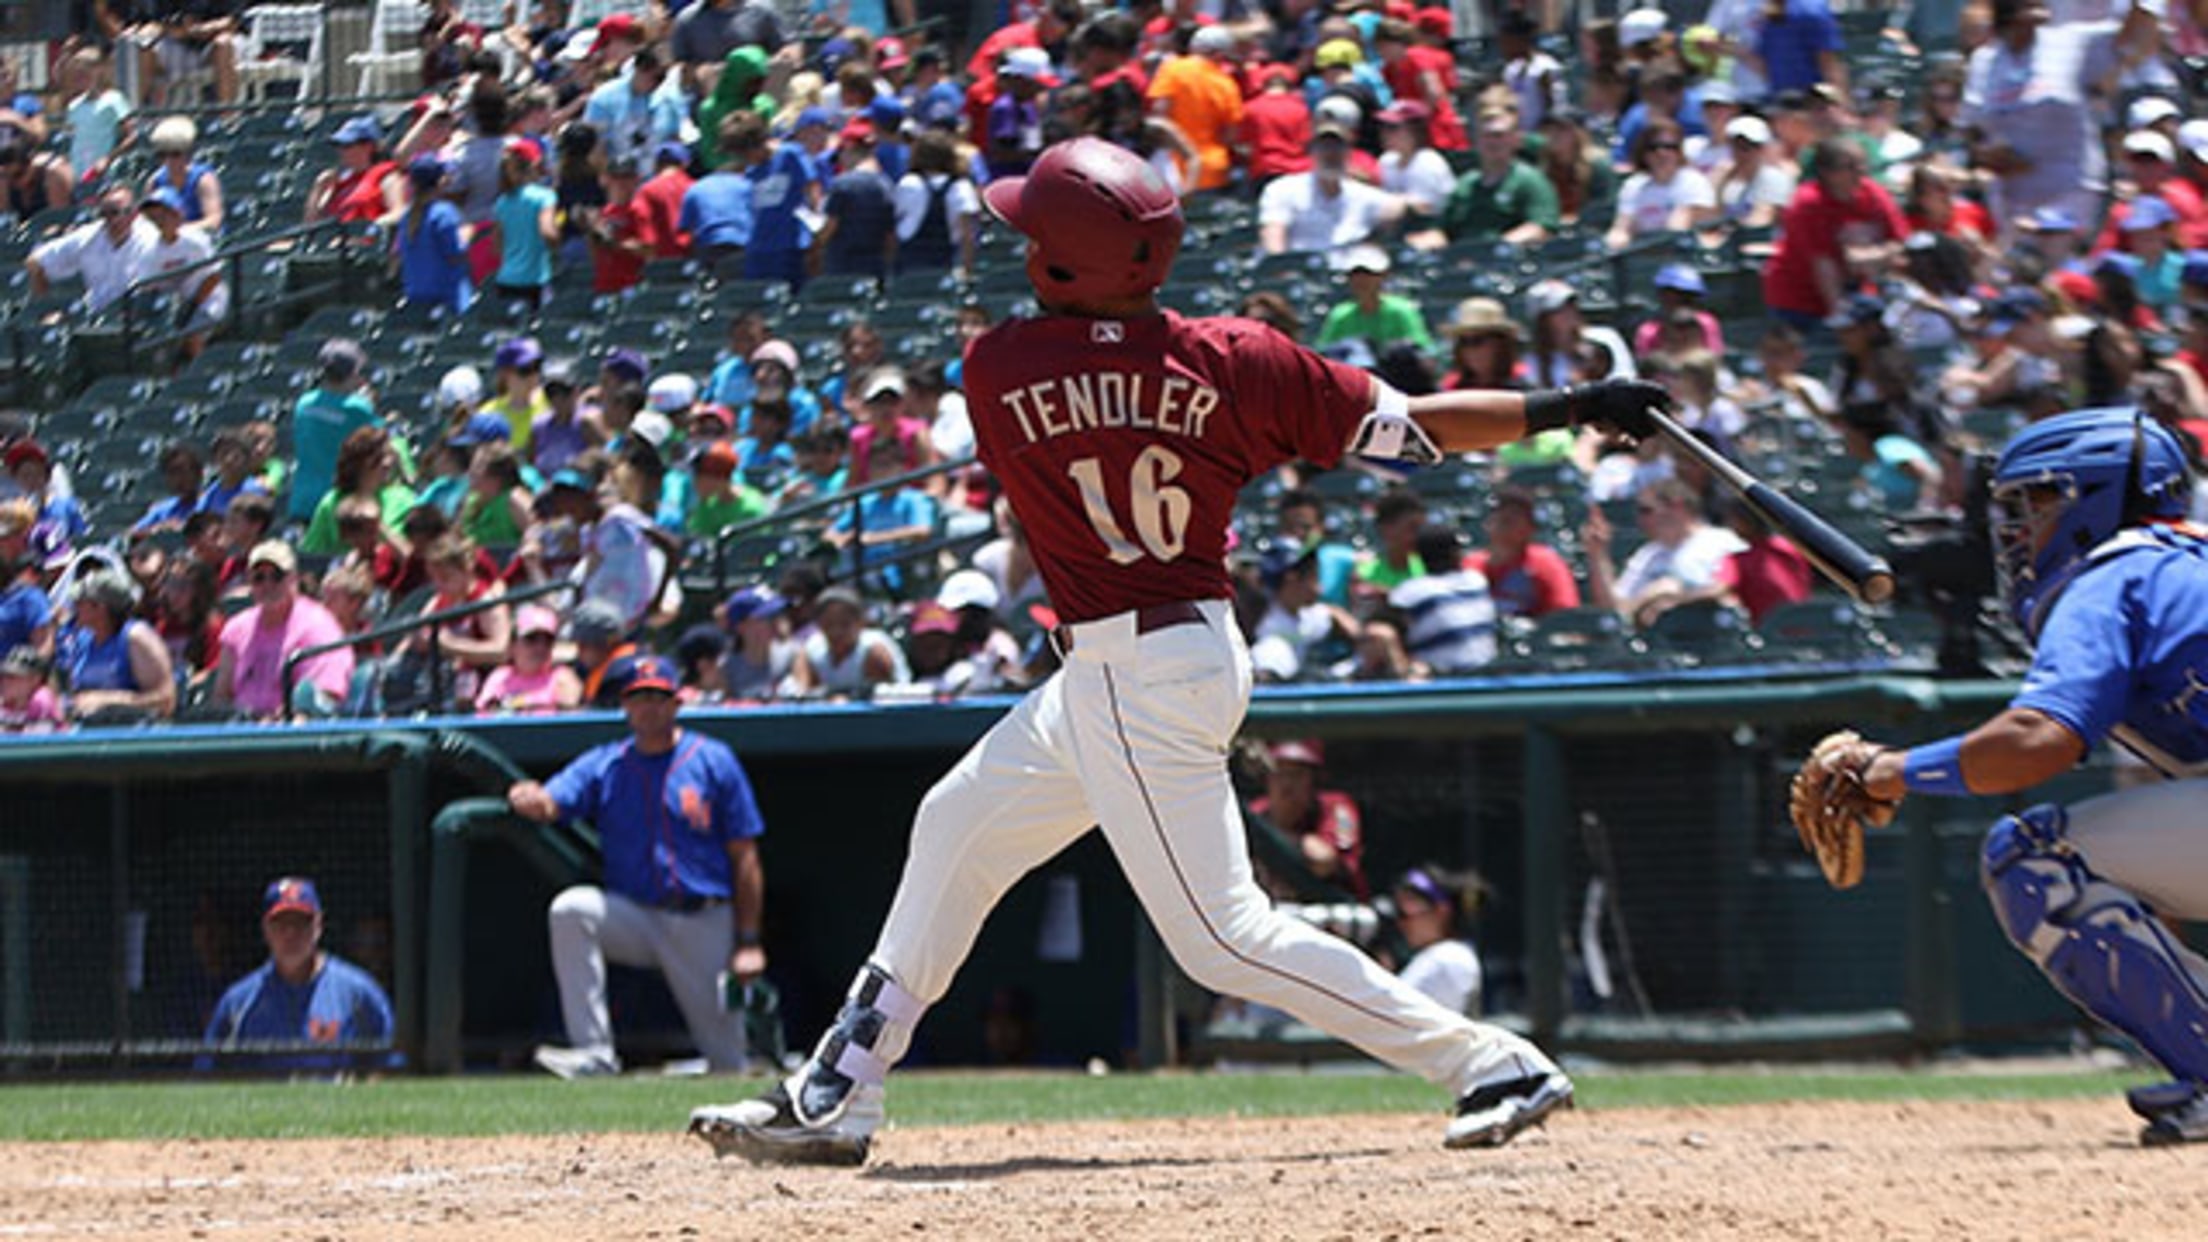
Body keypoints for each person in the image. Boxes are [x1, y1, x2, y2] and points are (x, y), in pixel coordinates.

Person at [690, 136, 1671, 1165]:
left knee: (1220, 938)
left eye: (1036, 236)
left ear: (1064, 262)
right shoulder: (1238, 358)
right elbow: (1418, 430)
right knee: (956, 823)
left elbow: (1085, 374)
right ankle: (841, 1087)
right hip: (1164, 655)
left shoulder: (999, 365)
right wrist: (1576, 406)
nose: (1021, 248)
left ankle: (1492, 1063)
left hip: (1133, 674)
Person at [1816, 408, 2208, 1145]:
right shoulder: (2182, 563)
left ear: (2098, 498)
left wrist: (1893, 770)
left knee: (2031, 857)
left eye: (2039, 500)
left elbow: (2037, 740)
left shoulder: (2115, 573)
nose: (2019, 528)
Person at [509, 655, 767, 1077]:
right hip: (636, 915)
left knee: (728, 1062)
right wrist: (530, 796)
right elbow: (553, 800)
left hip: (702, 919)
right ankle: (594, 1054)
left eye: (658, 697)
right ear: (625, 705)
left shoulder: (712, 759)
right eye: (639, 697)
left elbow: (745, 856)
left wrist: (749, 941)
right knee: (571, 911)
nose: (648, 707)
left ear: (676, 703)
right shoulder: (606, 762)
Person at [202, 878, 397, 1073]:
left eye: (301, 922)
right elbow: (206, 1074)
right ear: (265, 929)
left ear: (318, 925)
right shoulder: (239, 1003)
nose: (290, 933)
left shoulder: (358, 994)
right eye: (281, 923)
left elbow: (392, 1069)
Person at [210, 541, 355, 720]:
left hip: (292, 732)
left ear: (294, 578)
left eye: (277, 576)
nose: (268, 584)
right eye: (259, 578)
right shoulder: (236, 628)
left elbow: (322, 702)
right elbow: (222, 697)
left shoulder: (319, 627)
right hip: (242, 728)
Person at [1250, 739, 1369, 899]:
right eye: (1279, 773)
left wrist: (1272, 836)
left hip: (1333, 907)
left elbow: (1322, 861)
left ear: (1314, 781)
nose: (1286, 784)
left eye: (1296, 775)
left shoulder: (1335, 806)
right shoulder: (1255, 812)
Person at [58, 568, 176, 722]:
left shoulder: (136, 638)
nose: (74, 607)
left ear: (100, 607)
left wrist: (108, 701)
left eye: (80, 602)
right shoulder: (82, 640)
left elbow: (165, 701)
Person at [26, 184, 156, 313]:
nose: (109, 220)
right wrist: (47, 306)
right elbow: (35, 261)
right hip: (97, 315)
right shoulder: (88, 238)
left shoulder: (150, 237)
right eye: (103, 214)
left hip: (140, 314)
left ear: (133, 214)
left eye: (115, 213)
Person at [1386, 866, 1487, 1016]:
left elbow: (1395, 1019)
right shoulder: (1440, 955)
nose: (1401, 924)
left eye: (1405, 915)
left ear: (1441, 911)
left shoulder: (1448, 957)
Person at [1468, 487, 1580, 619]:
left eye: (1510, 519)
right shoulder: (1472, 565)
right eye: (1497, 516)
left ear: (1530, 527)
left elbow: (1565, 615)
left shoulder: (1544, 562)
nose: (1501, 524)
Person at [1315, 245, 1434, 356]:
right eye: (1355, 274)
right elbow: (1323, 351)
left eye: (1368, 273)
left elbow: (1422, 349)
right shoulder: (1340, 314)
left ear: (1383, 276)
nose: (1361, 279)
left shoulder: (1401, 310)